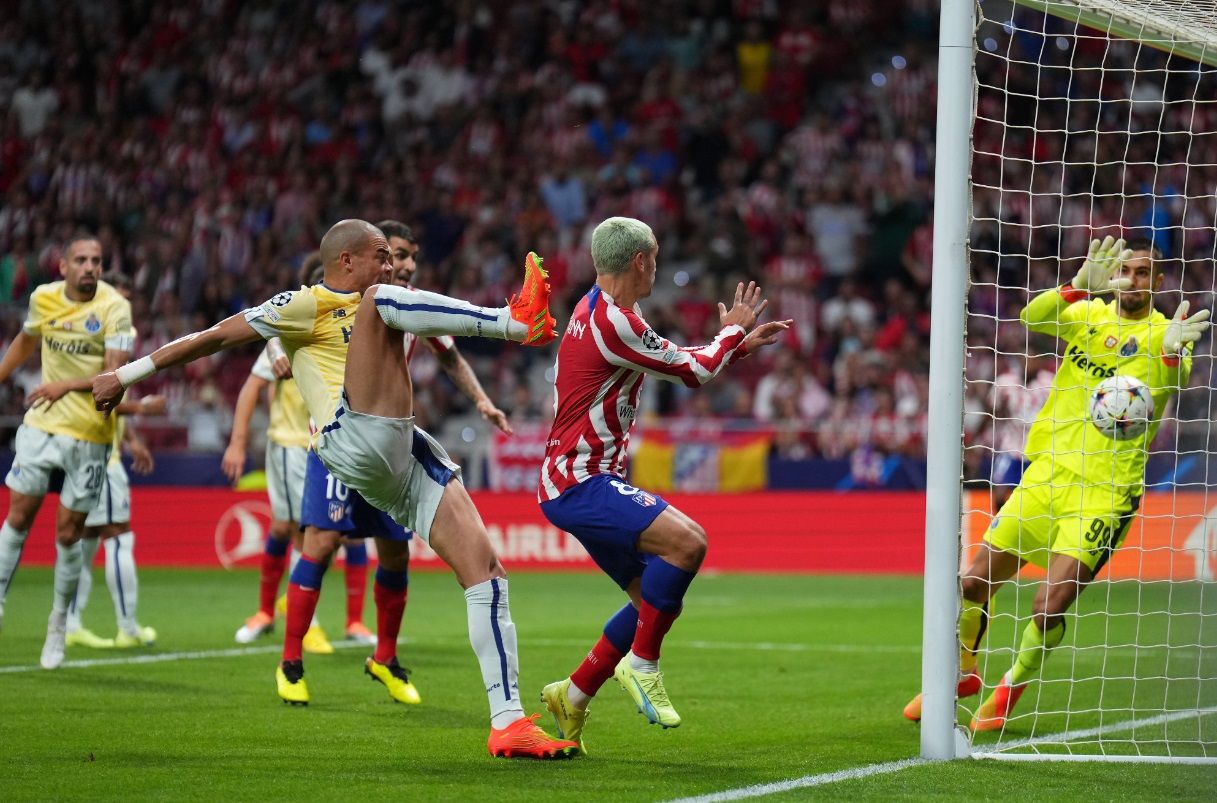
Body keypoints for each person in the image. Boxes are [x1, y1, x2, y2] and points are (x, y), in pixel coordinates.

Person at [94, 218, 577, 758]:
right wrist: (126, 375)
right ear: (346, 260)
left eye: (392, 257)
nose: (390, 264)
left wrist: (483, 398)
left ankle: (508, 723)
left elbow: (446, 352)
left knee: (486, 572)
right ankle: (514, 321)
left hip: (397, 449)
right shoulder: (309, 305)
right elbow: (206, 340)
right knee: (380, 306)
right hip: (348, 437)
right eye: (380, 255)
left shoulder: (392, 301)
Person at [902, 236, 1210, 731]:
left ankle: (1008, 691)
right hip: (1046, 474)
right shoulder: (1088, 315)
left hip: (1106, 493)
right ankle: (961, 673)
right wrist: (1073, 287)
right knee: (973, 581)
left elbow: (1174, 379)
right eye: (1125, 270)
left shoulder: (1164, 333)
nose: (1132, 279)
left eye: (1143, 272)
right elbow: (1033, 317)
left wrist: (1174, 355)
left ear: (1158, 282)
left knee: (1049, 605)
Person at [536, 216, 791, 753]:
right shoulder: (615, 322)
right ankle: (642, 666)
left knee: (649, 602)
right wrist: (732, 332)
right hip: (581, 480)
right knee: (689, 542)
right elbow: (694, 372)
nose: (657, 263)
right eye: (655, 255)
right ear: (640, 262)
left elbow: (676, 363)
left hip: (572, 479)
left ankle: (573, 694)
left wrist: (736, 347)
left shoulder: (599, 311)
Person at [0, 234, 134, 669]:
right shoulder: (43, 300)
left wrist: (64, 386)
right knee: (18, 514)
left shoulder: (115, 307)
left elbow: (113, 374)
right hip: (42, 426)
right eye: (81, 260)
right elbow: (25, 341)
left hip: (91, 433)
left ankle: (58, 623)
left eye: (96, 260)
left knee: (68, 533)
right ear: (63, 266)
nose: (90, 267)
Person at [224, 255, 356, 654]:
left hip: (329, 446)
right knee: (301, 530)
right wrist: (238, 441)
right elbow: (251, 388)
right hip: (290, 443)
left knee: (307, 532)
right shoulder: (284, 336)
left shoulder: (348, 332)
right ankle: (300, 620)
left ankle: (277, 609)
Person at [64, 269, 163, 650]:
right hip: (99, 456)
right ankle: (128, 627)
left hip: (94, 450)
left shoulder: (102, 338)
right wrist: (142, 408)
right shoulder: (100, 340)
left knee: (85, 540)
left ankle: (71, 622)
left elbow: (108, 401)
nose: (125, 308)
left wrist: (132, 440)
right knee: (118, 534)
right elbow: (95, 395)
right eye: (120, 299)